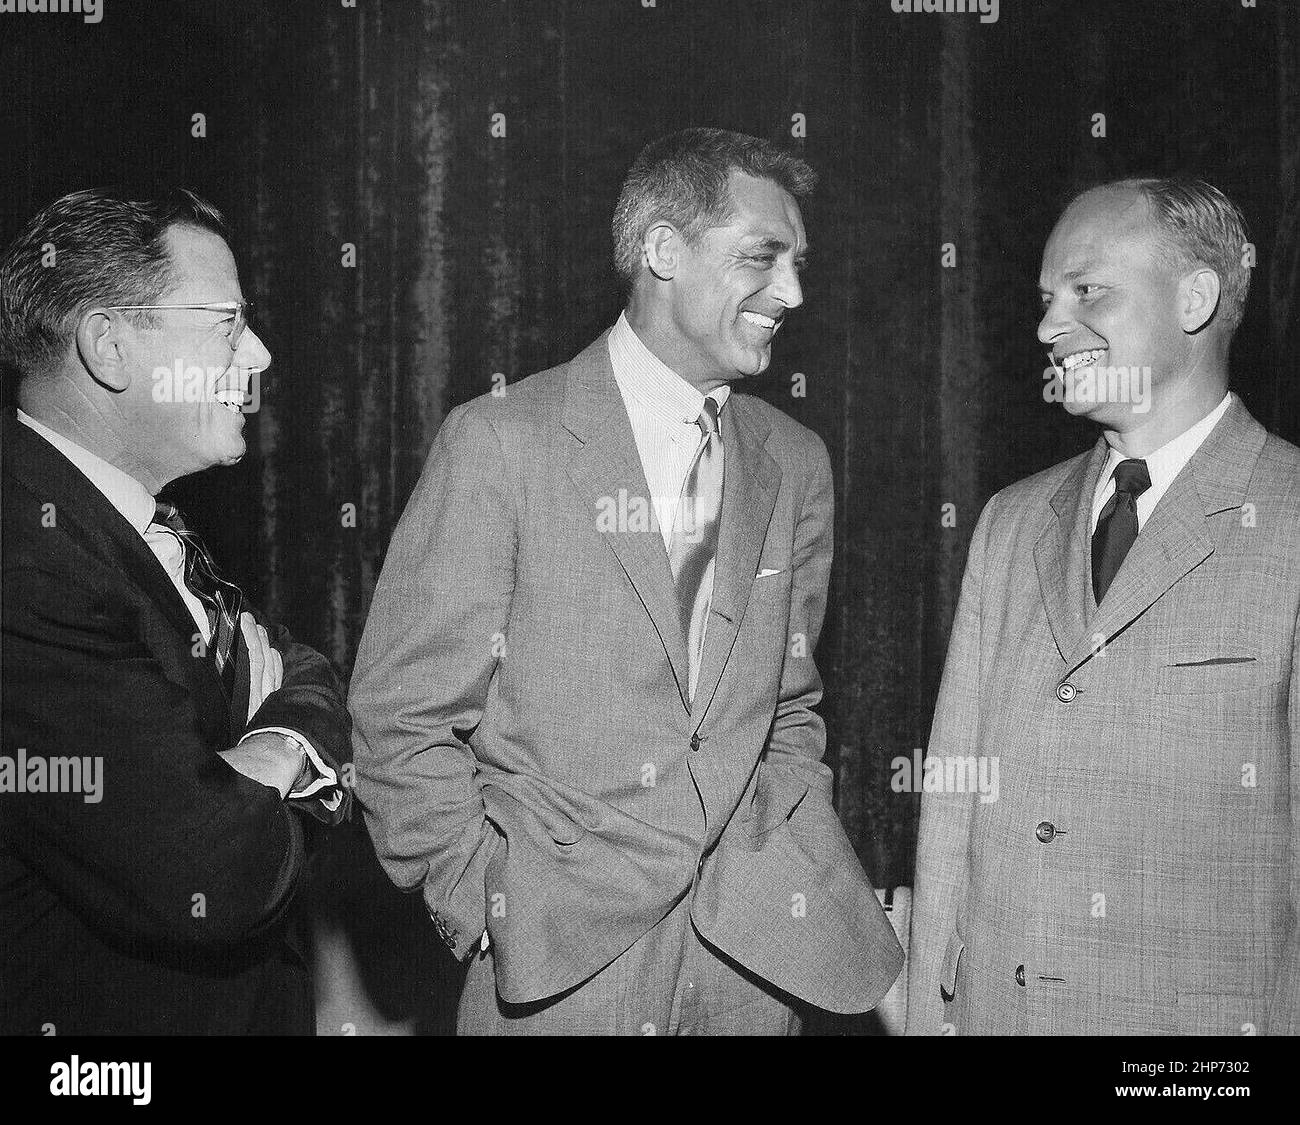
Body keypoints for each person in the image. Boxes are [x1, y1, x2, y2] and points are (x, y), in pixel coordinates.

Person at [351, 127, 902, 1035]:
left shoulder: (796, 462)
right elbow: (399, 718)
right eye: (763, 258)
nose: (794, 293)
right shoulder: (501, 441)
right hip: (555, 970)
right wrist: (484, 900)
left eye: (800, 265)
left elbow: (790, 708)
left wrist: (788, 860)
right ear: (662, 251)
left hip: (753, 969)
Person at [907, 177, 1299, 1035]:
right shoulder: (1011, 521)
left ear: (1195, 299)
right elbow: (952, 801)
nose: (1049, 326)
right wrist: (934, 1005)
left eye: (1088, 292)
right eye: (1047, 299)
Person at [0, 187, 351, 1035]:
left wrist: (263, 750)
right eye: (226, 324)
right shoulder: (28, 564)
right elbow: (216, 874)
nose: (260, 355)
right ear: (111, 346)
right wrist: (285, 753)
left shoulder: (122, 518)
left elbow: (301, 666)